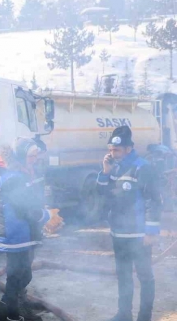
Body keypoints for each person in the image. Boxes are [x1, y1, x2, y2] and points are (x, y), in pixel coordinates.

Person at [96, 126, 161, 321]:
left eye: (116, 150)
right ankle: (123, 314)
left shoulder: (143, 167)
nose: (112, 153)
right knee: (124, 276)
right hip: (119, 234)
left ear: (129, 149)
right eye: (110, 149)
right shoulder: (113, 167)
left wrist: (150, 231)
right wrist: (105, 173)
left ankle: (144, 317)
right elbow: (102, 197)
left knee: (145, 277)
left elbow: (153, 200)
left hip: (139, 235)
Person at [0, 138, 51, 321]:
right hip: (15, 234)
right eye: (31, 155)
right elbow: (23, 207)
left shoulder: (22, 174)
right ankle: (2, 316)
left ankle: (10, 314)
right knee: (17, 276)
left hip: (23, 233)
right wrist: (45, 215)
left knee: (21, 275)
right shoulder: (13, 178)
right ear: (22, 156)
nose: (35, 158)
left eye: (36, 155)